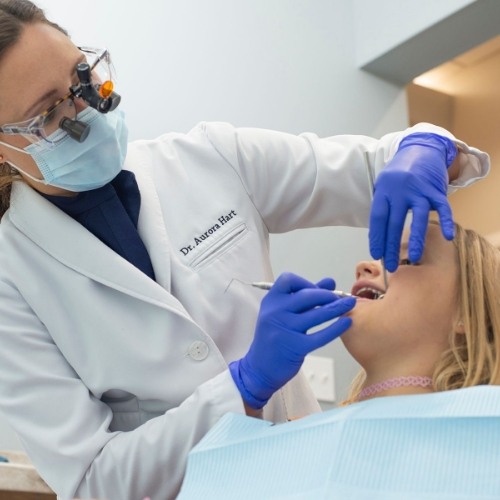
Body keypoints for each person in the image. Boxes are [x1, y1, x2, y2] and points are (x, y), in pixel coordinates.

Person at [0, 1, 490, 499]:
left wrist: (426, 147)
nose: (85, 110)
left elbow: (375, 166)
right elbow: (91, 482)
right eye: (49, 113)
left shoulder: (211, 158)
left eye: (83, 79)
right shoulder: (11, 280)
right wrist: (244, 386)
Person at [178, 221, 500, 499]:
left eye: (407, 259)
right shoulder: (278, 448)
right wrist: (247, 388)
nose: (365, 265)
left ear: (467, 316)